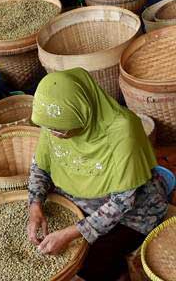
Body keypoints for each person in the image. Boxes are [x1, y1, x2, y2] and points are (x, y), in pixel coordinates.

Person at [26, 68, 170, 281]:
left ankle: (122, 273)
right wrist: (35, 205)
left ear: (84, 111)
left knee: (88, 263)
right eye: (50, 129)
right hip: (78, 199)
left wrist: (71, 233)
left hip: (133, 212)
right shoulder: (54, 122)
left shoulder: (123, 129)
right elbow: (40, 166)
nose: (55, 135)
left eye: (62, 130)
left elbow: (123, 201)